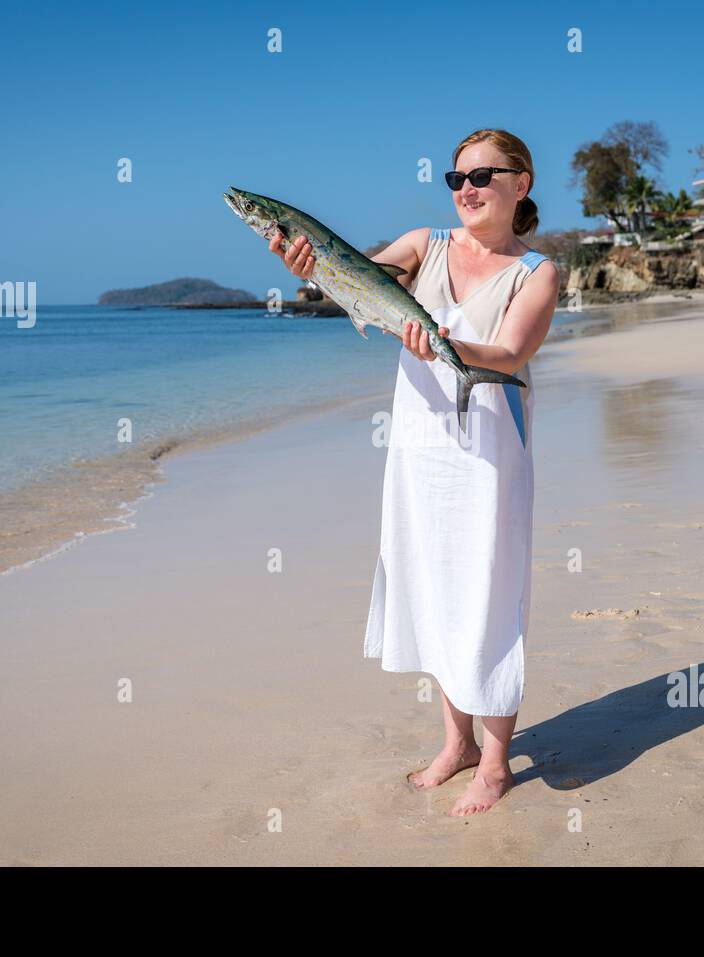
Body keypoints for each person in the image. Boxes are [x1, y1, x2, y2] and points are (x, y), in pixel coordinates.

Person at [269, 129, 559, 815]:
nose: (467, 189)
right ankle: (455, 742)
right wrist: (304, 266)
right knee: (433, 585)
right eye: (457, 178)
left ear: (522, 183)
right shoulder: (423, 245)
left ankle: (495, 761)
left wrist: (443, 344)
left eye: (485, 175)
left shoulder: (536, 272)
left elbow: (511, 354)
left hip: (490, 454)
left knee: (489, 592)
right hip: (419, 449)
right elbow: (353, 279)